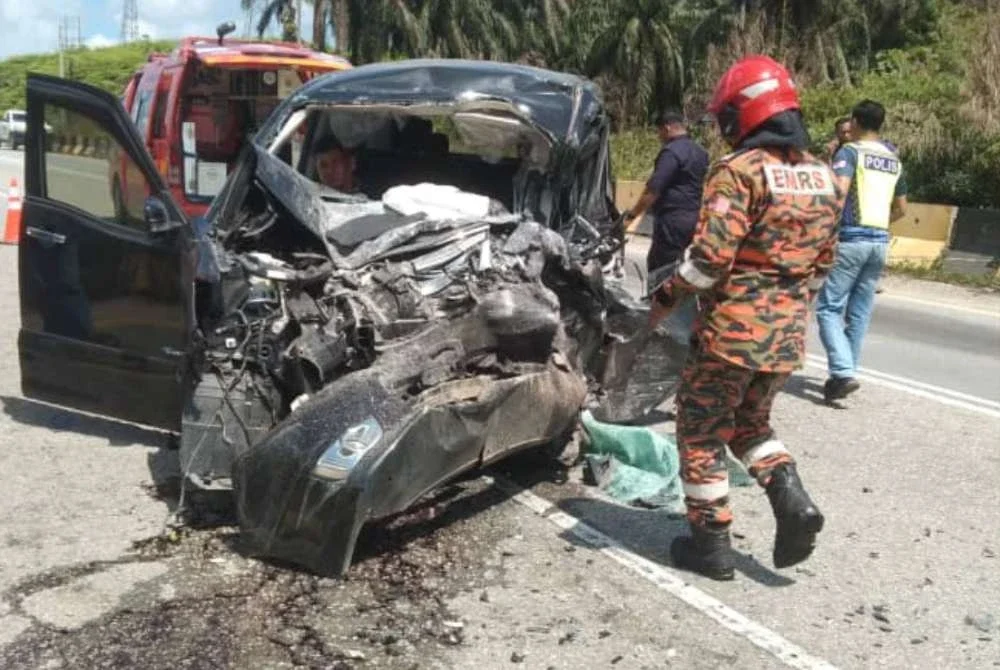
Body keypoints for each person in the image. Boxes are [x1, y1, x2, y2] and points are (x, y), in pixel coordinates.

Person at [646, 55, 842, 581]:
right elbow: (823, 263)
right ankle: (791, 499)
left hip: (731, 335)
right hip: (784, 337)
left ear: (744, 114)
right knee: (751, 424)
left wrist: (666, 296)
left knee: (700, 432)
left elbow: (709, 259)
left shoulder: (740, 172)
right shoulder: (825, 177)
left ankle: (709, 545)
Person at [815, 100, 907, 404]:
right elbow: (902, 208)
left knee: (828, 308)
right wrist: (878, 226)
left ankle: (842, 372)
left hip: (852, 238)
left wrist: (825, 233)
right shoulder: (893, 158)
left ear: (854, 121)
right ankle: (846, 372)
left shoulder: (850, 152)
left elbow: (839, 193)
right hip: (880, 240)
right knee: (860, 312)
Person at [624, 110, 710, 279]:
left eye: (659, 131)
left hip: (672, 221)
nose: (659, 136)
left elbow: (654, 189)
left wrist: (632, 216)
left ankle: (659, 302)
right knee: (686, 266)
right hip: (694, 218)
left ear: (667, 127)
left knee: (661, 267)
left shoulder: (671, 152)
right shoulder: (700, 152)